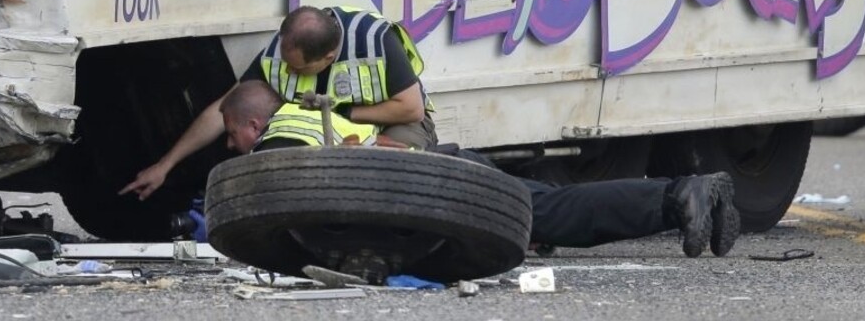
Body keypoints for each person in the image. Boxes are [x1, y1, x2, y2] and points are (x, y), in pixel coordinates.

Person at [220, 80, 742, 259]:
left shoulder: (279, 140)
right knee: (552, 210)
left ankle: (681, 198)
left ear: (253, 121)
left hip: (439, 183)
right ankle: (687, 196)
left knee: (552, 217)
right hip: (443, 169)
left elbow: (280, 191)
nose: (231, 146)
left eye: (231, 133)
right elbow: (375, 148)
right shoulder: (314, 116)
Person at [122, 5, 436, 200]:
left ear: (327, 58)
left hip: (395, 124)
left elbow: (411, 107)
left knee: (392, 172)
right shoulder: (281, 53)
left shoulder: (374, 38)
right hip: (328, 132)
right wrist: (166, 165)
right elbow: (224, 110)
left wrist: (344, 113)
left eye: (297, 69)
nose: (286, 71)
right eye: (285, 61)